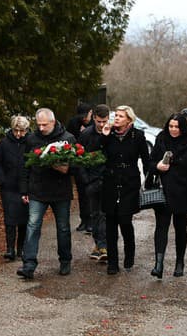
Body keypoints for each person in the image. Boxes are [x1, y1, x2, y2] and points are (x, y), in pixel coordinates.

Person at [17, 108, 76, 279]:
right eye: (39, 124)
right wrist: (24, 189)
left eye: (45, 124)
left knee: (63, 228)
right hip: (38, 190)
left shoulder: (68, 138)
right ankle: (28, 264)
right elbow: (25, 164)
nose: (41, 128)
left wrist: (66, 168)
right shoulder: (32, 139)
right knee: (32, 226)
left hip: (60, 191)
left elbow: (77, 165)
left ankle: (65, 260)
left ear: (53, 121)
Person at [148, 113, 187, 279]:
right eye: (171, 126)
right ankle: (158, 264)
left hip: (184, 191)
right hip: (163, 191)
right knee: (161, 227)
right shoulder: (161, 138)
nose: (173, 130)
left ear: (183, 127)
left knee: (181, 229)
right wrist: (158, 166)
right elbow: (151, 162)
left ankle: (179, 262)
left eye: (177, 127)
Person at [101, 105, 150, 275]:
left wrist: (149, 180)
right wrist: (105, 136)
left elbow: (146, 160)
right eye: (116, 116)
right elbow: (98, 152)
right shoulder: (109, 135)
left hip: (130, 182)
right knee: (110, 222)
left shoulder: (138, 135)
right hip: (110, 181)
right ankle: (112, 262)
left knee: (124, 220)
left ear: (129, 119)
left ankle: (129, 253)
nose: (117, 119)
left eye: (121, 116)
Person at [0, 115, 30, 261]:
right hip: (8, 186)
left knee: (23, 219)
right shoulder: (4, 143)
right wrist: (2, 180)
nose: (18, 134)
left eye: (21, 131)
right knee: (9, 218)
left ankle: (21, 248)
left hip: (25, 187)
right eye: (16, 130)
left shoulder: (30, 142)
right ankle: (10, 248)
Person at [78, 104, 110, 262]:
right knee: (95, 214)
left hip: (108, 179)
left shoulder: (111, 133)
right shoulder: (86, 135)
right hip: (91, 180)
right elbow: (79, 157)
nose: (102, 124)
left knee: (105, 214)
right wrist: (86, 179)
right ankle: (99, 244)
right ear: (94, 119)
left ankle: (103, 245)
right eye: (99, 121)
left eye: (104, 121)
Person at [66, 102, 94, 233]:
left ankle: (91, 221)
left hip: (91, 163)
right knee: (82, 193)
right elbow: (70, 142)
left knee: (90, 194)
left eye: (88, 114)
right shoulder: (73, 123)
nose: (86, 118)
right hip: (78, 163)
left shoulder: (94, 124)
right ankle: (84, 220)